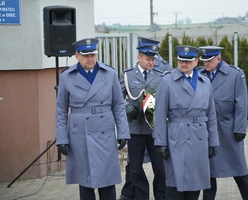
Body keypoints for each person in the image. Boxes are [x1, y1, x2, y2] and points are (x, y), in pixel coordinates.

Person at [55, 38, 130, 200]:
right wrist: (62, 139)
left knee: (107, 179)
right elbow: (61, 110)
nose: (91, 59)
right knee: (85, 180)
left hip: (105, 132)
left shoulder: (109, 73)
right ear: (77, 56)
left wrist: (123, 132)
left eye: (93, 55)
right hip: (80, 134)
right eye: (86, 55)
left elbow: (118, 105)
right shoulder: (67, 77)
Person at [153, 45, 219, 200]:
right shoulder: (167, 81)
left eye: (188, 61)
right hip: (177, 137)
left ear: (196, 62)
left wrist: (213, 141)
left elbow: (211, 114)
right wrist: (160, 141)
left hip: (199, 137)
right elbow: (160, 114)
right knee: (175, 185)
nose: (184, 64)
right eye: (181, 60)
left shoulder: (205, 82)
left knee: (195, 185)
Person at [198, 46, 248, 200]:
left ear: (218, 58)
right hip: (207, 129)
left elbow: (242, 103)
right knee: (208, 172)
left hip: (228, 128)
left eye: (209, 61)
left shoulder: (235, 74)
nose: (206, 64)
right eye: (204, 61)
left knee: (239, 168)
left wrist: (240, 128)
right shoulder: (199, 74)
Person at [118, 36, 172, 200]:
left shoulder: (161, 75)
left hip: (155, 129)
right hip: (135, 129)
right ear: (139, 57)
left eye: (153, 59)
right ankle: (141, 196)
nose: (151, 63)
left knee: (160, 168)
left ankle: (161, 196)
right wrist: (125, 106)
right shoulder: (127, 75)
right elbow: (118, 98)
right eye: (148, 59)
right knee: (135, 168)